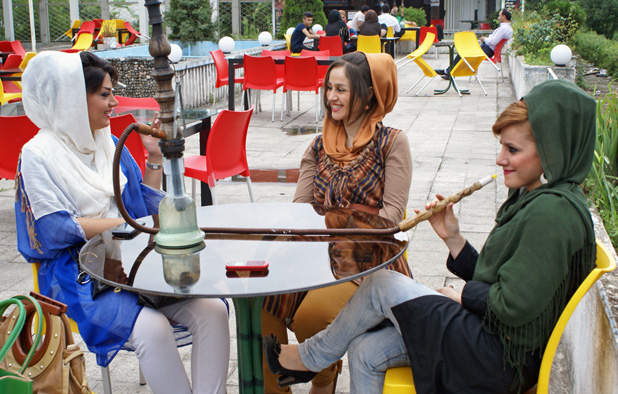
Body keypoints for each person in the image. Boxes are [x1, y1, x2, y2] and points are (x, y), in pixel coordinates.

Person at [263, 79, 597, 394]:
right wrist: (453, 238)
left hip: (499, 357)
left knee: (381, 284)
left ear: (554, 148)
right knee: (366, 348)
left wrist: (462, 297)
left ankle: (310, 358)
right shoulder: (537, 199)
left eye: (512, 149)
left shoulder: (552, 213)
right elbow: (505, 280)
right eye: (501, 147)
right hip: (488, 337)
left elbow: (513, 304)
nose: (500, 159)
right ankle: (312, 358)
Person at [15, 51, 230, 394]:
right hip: (80, 271)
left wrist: (155, 159)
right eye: (104, 94)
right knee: (153, 329)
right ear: (73, 97)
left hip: (133, 262)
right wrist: (124, 225)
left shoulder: (110, 143)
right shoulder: (38, 155)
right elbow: (53, 229)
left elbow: (144, 203)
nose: (114, 102)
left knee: (213, 311)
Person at [261, 52, 413, 394]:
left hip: (367, 261)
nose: (331, 97)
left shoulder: (391, 144)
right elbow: (301, 212)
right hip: (316, 254)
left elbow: (390, 219)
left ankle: (324, 379)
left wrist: (331, 216)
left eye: (341, 90)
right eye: (329, 88)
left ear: (368, 94)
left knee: (311, 316)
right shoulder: (317, 146)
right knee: (261, 303)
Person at [437, 8, 512, 79]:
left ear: (504, 16)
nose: (498, 17)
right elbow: (494, 40)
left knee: (463, 53)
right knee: (464, 52)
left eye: (499, 15)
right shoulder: (509, 29)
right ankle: (449, 72)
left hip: (487, 50)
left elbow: (493, 41)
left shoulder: (503, 29)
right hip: (487, 49)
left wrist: (484, 39)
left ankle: (448, 72)